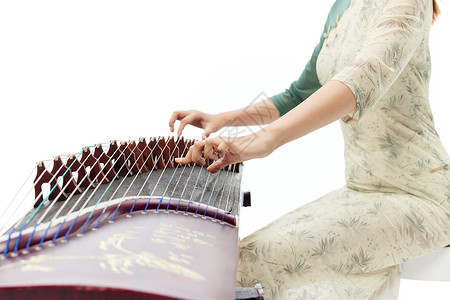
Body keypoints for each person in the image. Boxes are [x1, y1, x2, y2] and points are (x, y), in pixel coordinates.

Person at [169, 0, 449, 299]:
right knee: (236, 260)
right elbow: (299, 94)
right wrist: (225, 119)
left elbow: (364, 77)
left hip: (419, 194)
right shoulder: (342, 6)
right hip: (360, 188)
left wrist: (264, 140)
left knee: (248, 268)